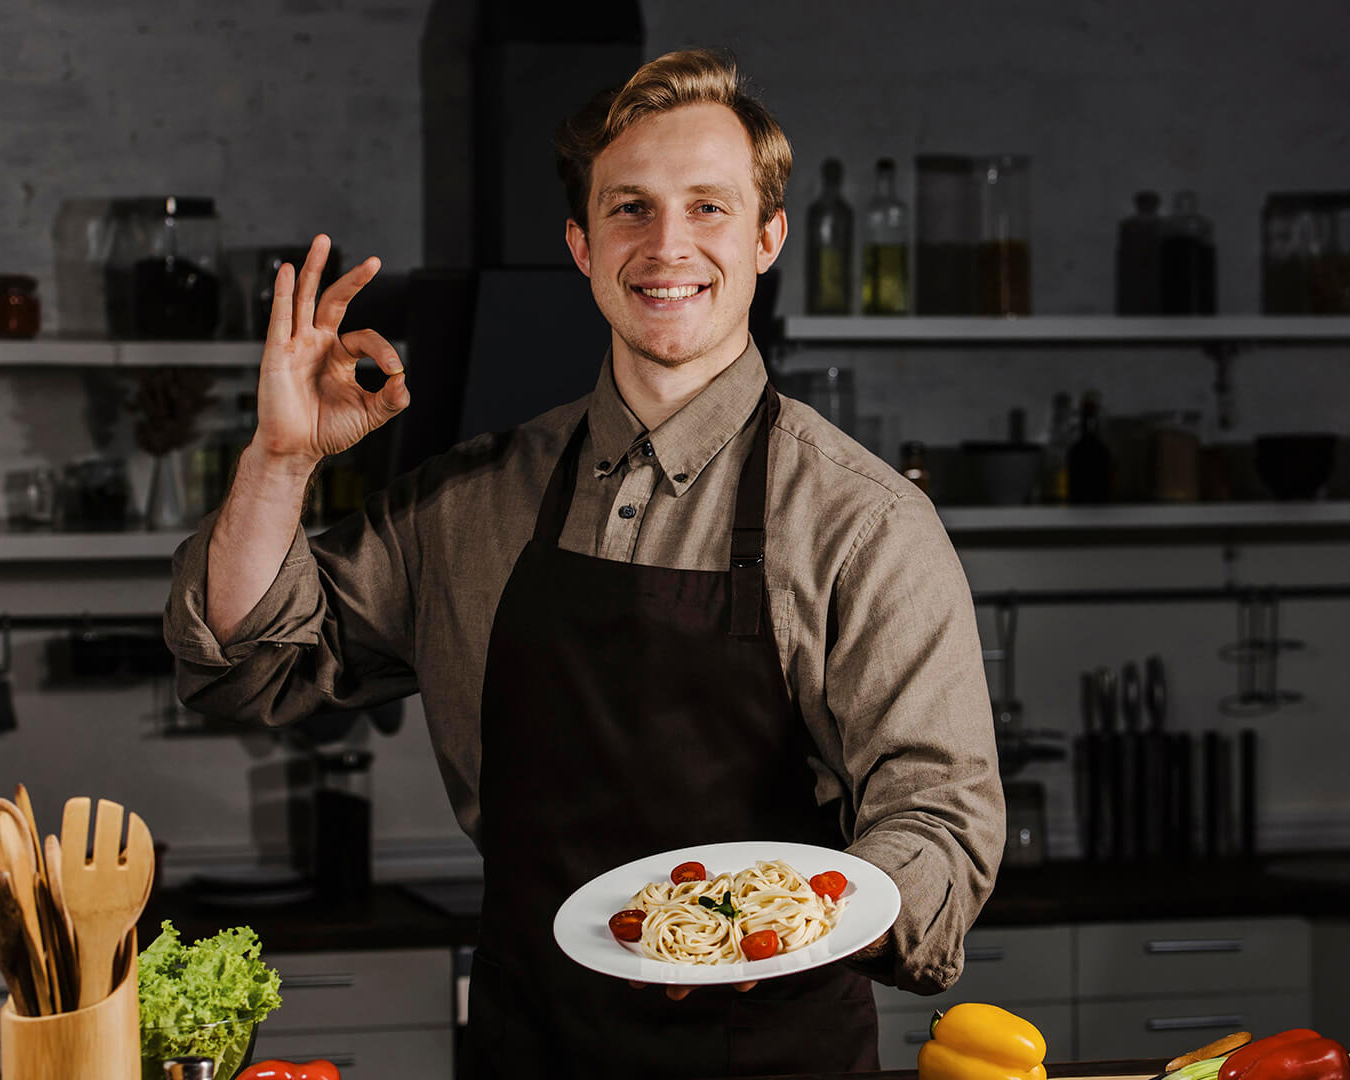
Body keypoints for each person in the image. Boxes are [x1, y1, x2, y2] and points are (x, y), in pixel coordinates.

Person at [165, 48, 1003, 1078]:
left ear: (767, 238)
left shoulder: (863, 523)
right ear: (582, 245)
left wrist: (784, 922)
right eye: (629, 209)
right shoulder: (468, 502)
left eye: (708, 208)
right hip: (527, 1046)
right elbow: (250, 659)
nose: (667, 245)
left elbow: (939, 819)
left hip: (768, 1055)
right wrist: (280, 460)